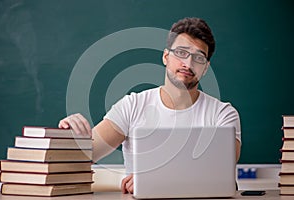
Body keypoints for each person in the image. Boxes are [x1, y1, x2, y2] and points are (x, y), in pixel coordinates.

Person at [58, 17, 241, 194]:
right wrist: (67, 138)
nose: (188, 63)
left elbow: (221, 171)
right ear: (166, 56)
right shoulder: (133, 106)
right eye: (181, 53)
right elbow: (82, 158)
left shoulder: (222, 114)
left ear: (206, 67)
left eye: (198, 57)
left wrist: (152, 179)